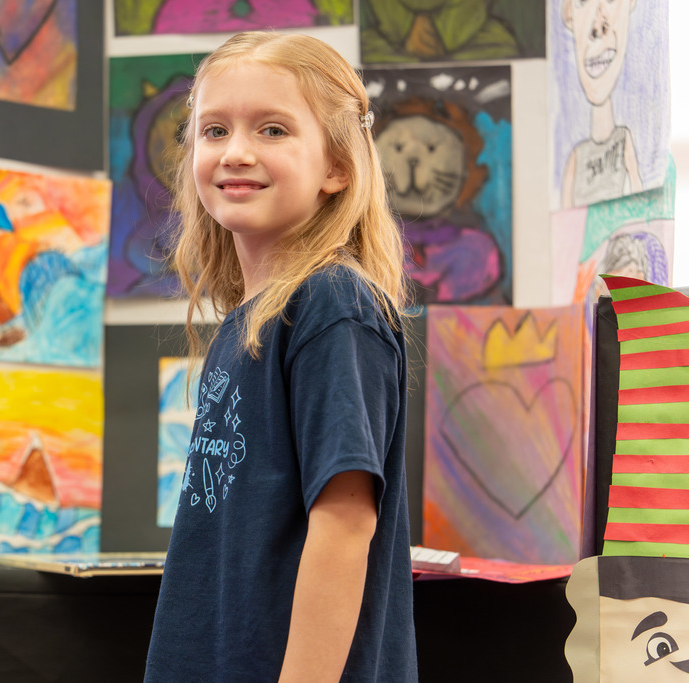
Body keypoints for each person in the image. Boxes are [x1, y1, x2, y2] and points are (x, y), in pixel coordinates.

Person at [144, 31, 417, 682]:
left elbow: (346, 522)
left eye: (271, 129)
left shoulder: (332, 305)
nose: (236, 152)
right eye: (213, 130)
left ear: (337, 166)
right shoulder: (248, 326)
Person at [560, 0, 643, 208]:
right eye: (582, 2)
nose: (598, 27)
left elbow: (641, 205)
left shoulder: (624, 140)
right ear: (569, 16)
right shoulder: (576, 158)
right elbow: (565, 224)